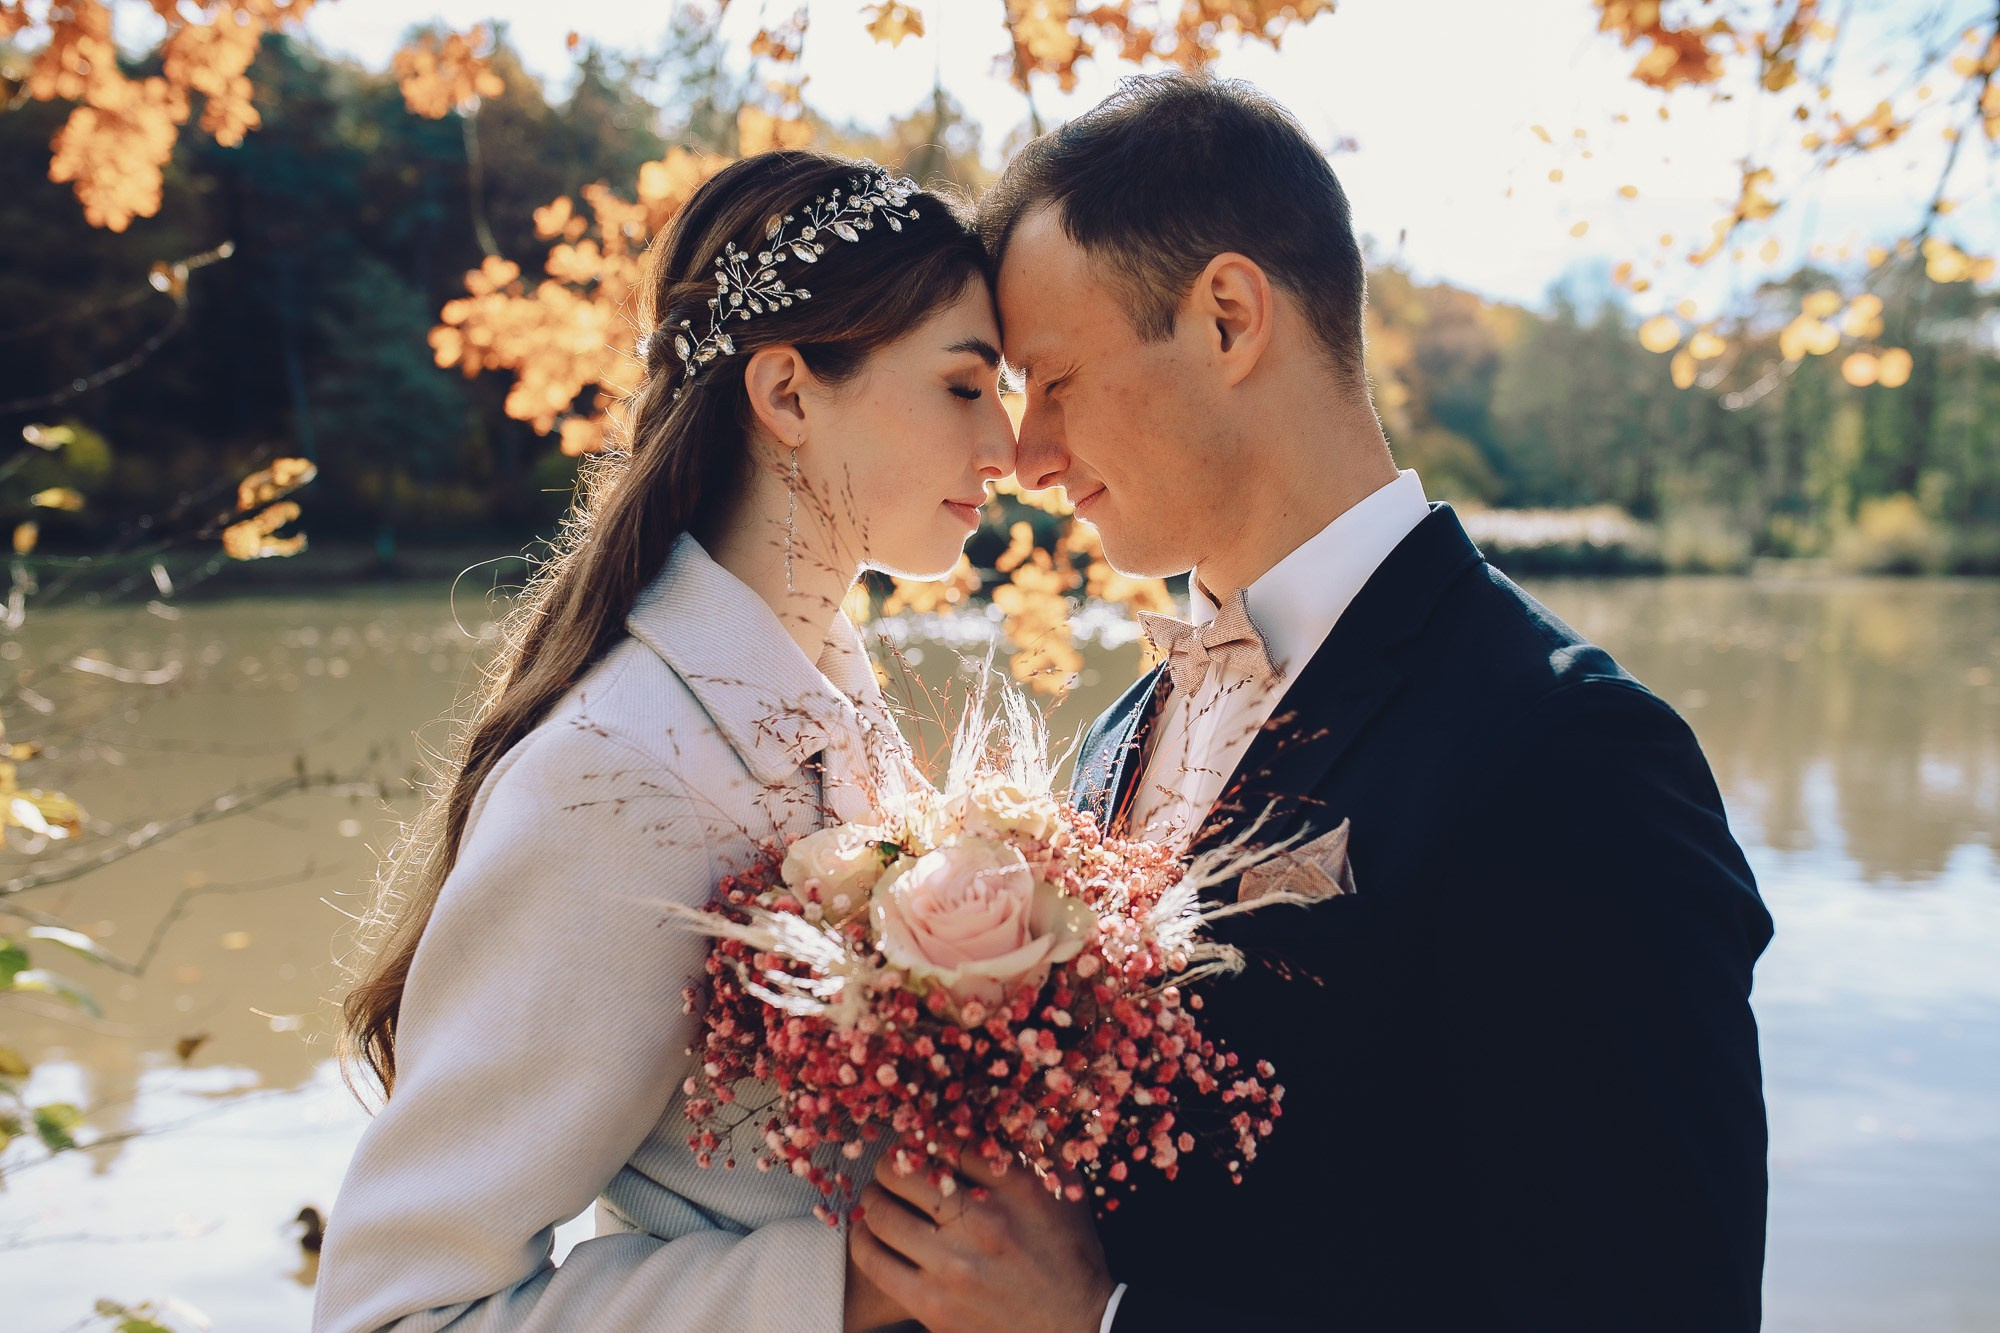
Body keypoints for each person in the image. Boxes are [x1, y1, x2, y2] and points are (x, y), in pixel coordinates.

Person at [844, 74, 1775, 1333]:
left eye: (1055, 380)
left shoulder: (1573, 757)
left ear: (1228, 318)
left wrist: (1106, 1323)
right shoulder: (1118, 741)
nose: (1027, 455)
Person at [315, 150, 1015, 1333]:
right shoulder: (616, 775)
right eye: (963, 387)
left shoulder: (840, 709)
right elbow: (397, 1312)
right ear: (788, 393)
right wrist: (837, 1290)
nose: (1005, 450)